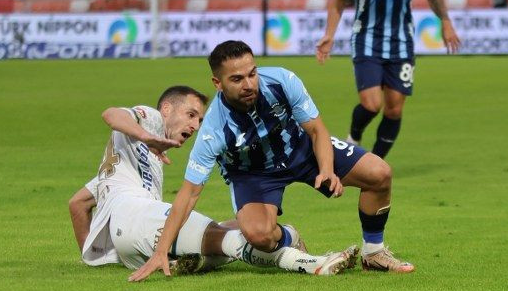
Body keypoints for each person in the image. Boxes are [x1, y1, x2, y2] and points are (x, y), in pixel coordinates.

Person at [128, 42, 401, 282]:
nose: (248, 84)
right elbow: (188, 195)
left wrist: (327, 170)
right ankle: (289, 237)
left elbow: (317, 130)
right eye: (237, 79)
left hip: (301, 149)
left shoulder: (282, 80)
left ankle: (374, 252)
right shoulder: (212, 130)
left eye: (252, 73)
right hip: (252, 174)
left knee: (379, 173)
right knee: (260, 236)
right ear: (217, 83)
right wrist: (161, 250)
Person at [70, 86, 355, 277]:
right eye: (190, 115)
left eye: (200, 119)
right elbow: (112, 114)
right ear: (167, 109)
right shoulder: (152, 119)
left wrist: (94, 257)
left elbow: (77, 204)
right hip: (137, 215)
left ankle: (283, 236)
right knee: (225, 241)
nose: (195, 126)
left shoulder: (115, 169)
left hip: (133, 237)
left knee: (219, 231)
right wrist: (147, 137)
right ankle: (311, 263)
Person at [316, 0, 460, 161]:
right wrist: (329, 34)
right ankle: (354, 136)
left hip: (402, 45)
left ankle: (374, 163)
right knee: (372, 104)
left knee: (394, 110)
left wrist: (446, 21)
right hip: (366, 41)